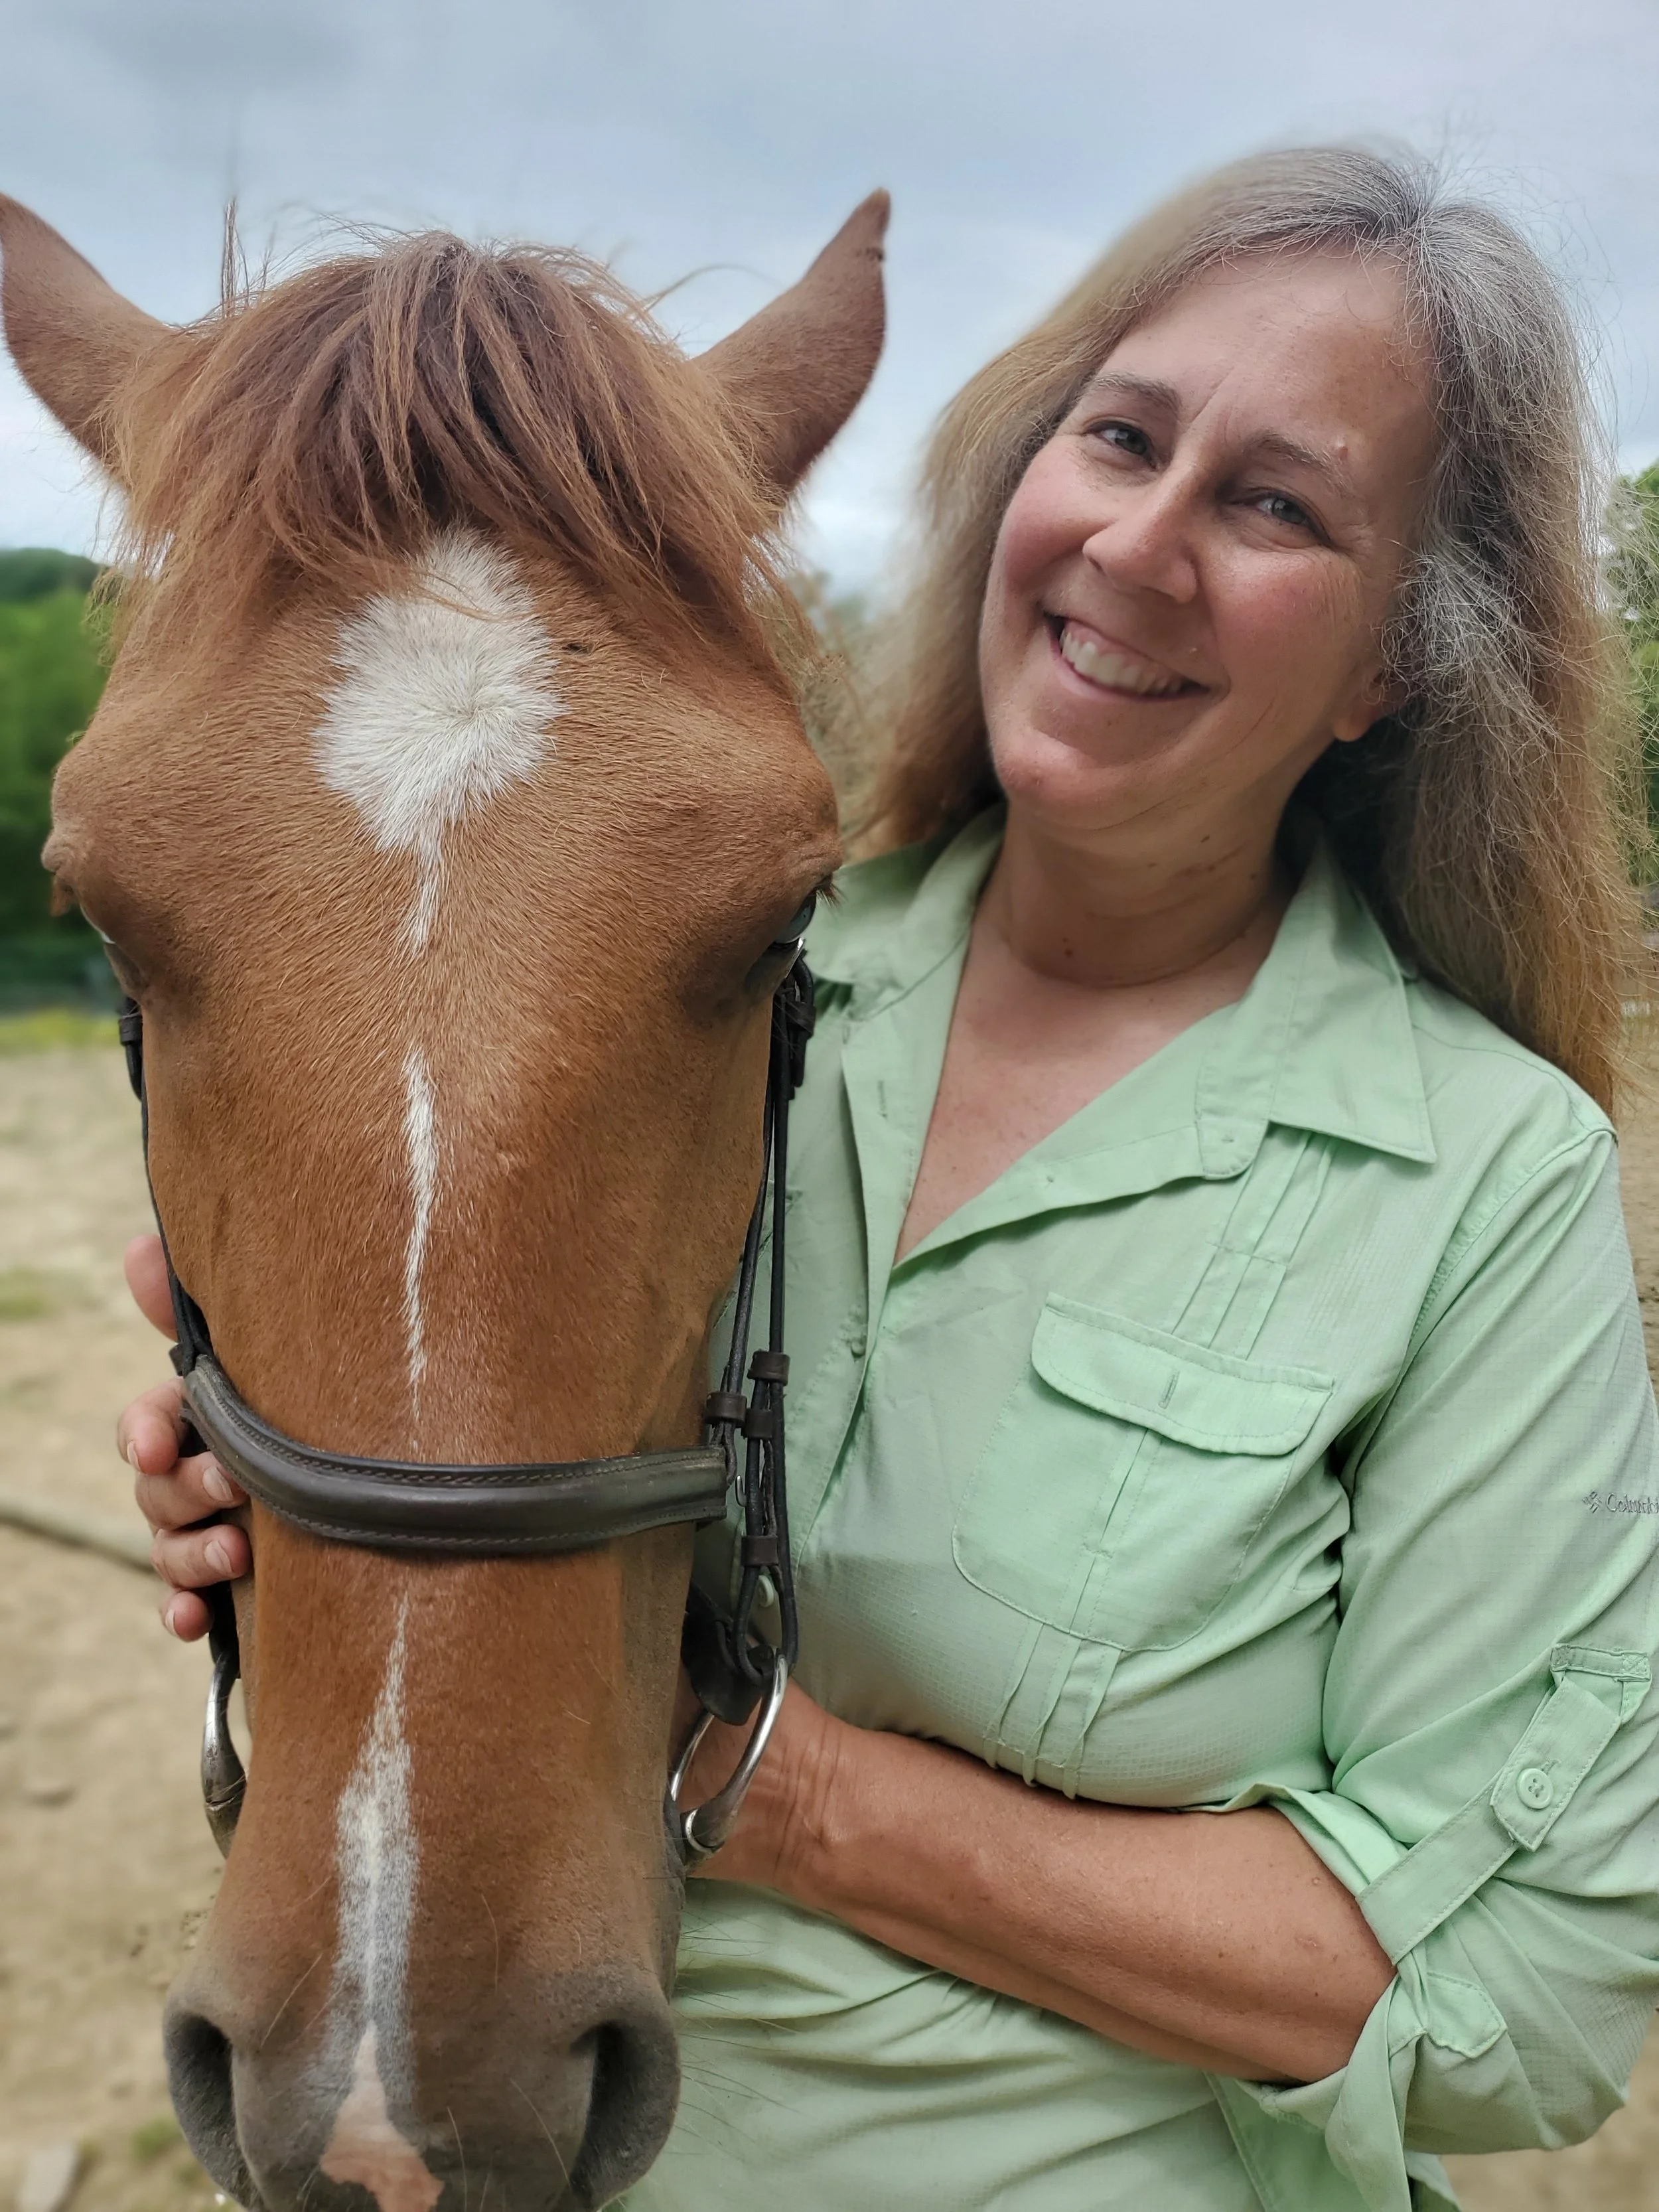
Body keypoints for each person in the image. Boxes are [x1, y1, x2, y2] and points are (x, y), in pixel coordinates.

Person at [122, 147, 1659, 2210]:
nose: (1140, 541)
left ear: (1396, 659)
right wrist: (281, 1473)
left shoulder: (1489, 1179)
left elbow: (1522, 2004)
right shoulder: (694, 993)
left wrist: (771, 1780)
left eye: (1275, 503)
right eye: (1120, 438)